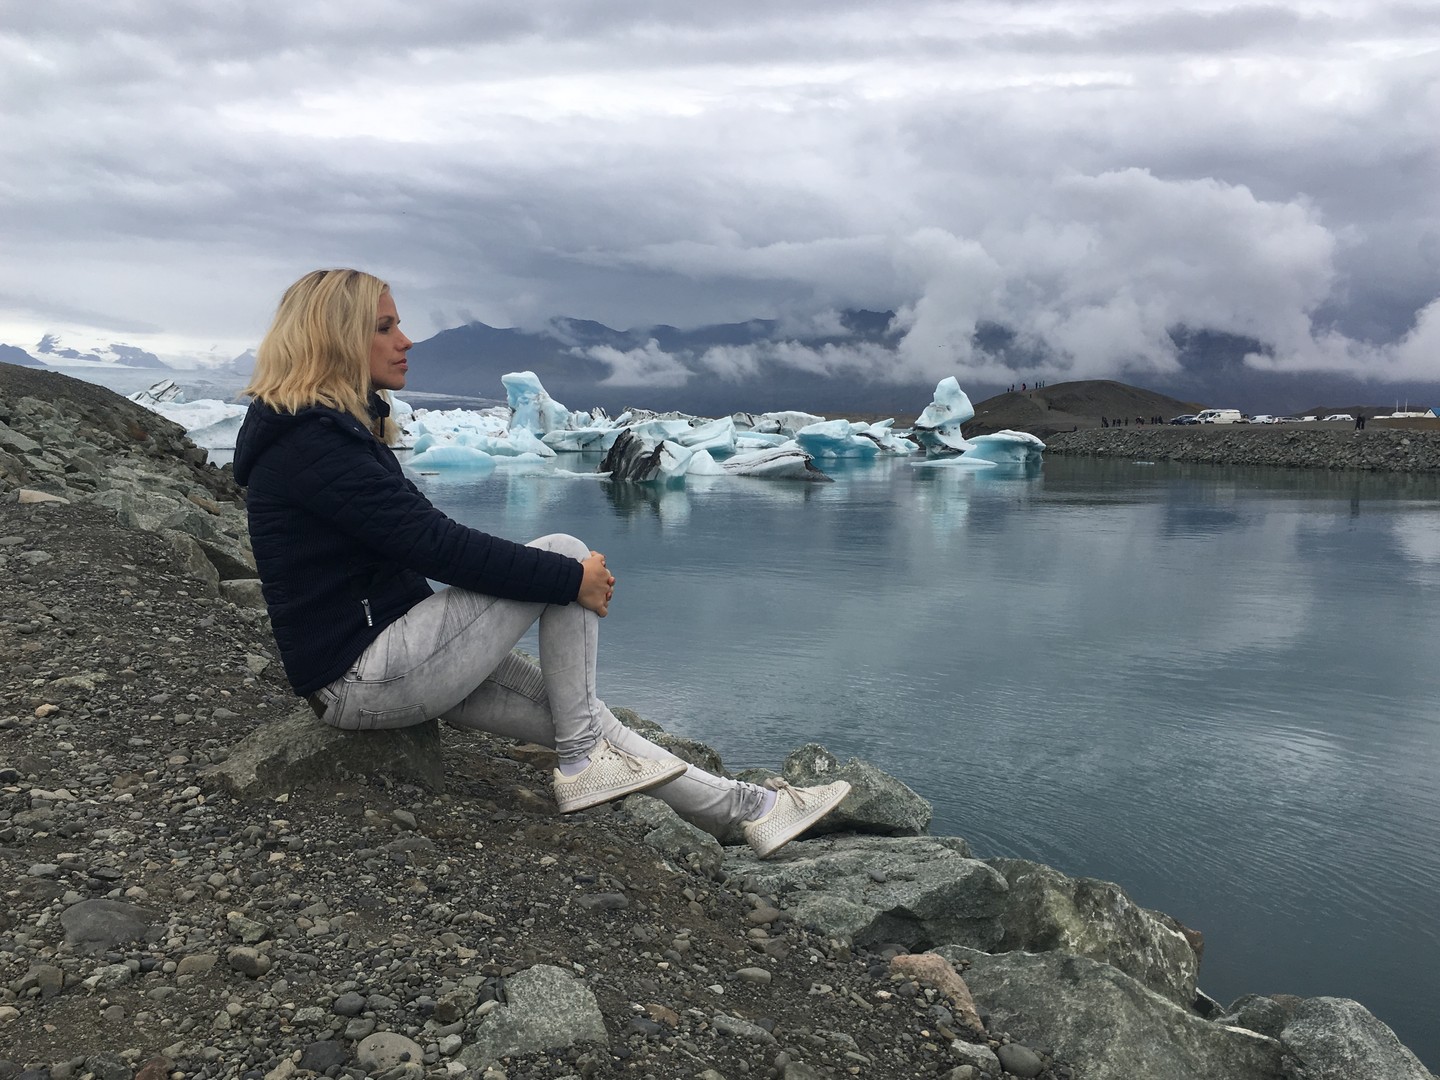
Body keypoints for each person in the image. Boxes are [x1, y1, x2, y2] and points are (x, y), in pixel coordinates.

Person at [232, 269, 850, 858]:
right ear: (336, 338)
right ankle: (582, 762)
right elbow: (433, 545)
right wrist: (569, 581)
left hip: (387, 658)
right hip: (364, 676)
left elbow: (418, 545)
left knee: (575, 707)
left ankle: (752, 810)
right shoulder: (313, 445)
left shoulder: (325, 435)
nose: (406, 340)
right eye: (384, 326)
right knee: (563, 554)